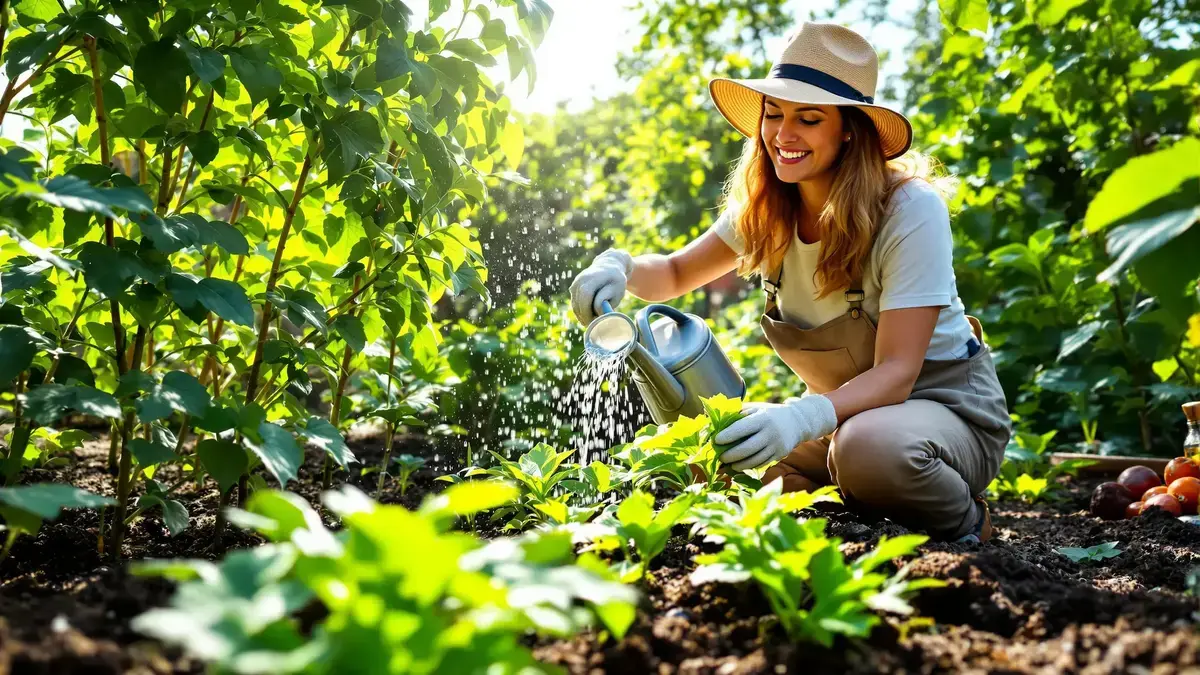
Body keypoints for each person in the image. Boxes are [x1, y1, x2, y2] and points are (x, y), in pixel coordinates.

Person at [569, 22, 1011, 543]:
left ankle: (968, 525)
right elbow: (673, 274)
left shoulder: (908, 208)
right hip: (839, 419)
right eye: (774, 114)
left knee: (867, 450)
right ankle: (852, 514)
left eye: (808, 118)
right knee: (715, 451)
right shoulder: (766, 209)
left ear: (848, 130)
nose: (783, 135)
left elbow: (897, 372)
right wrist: (619, 266)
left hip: (944, 410)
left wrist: (798, 419)